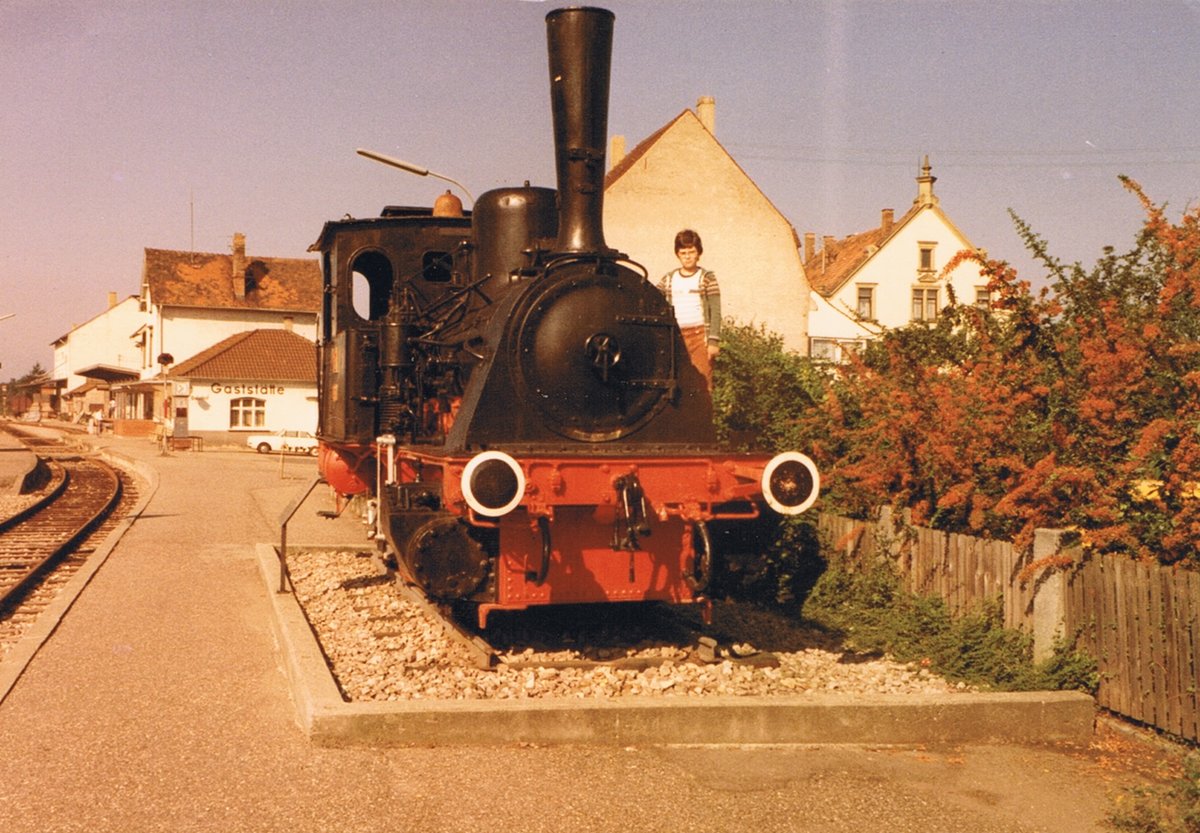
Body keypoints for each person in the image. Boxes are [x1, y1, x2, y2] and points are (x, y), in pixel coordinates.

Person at [657, 229, 721, 388]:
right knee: (678, 382)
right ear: (677, 254)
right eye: (683, 252)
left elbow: (715, 310)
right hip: (676, 337)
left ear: (698, 253)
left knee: (702, 383)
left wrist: (713, 341)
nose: (687, 256)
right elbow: (654, 299)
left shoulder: (707, 278)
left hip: (700, 337)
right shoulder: (668, 279)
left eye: (691, 252)